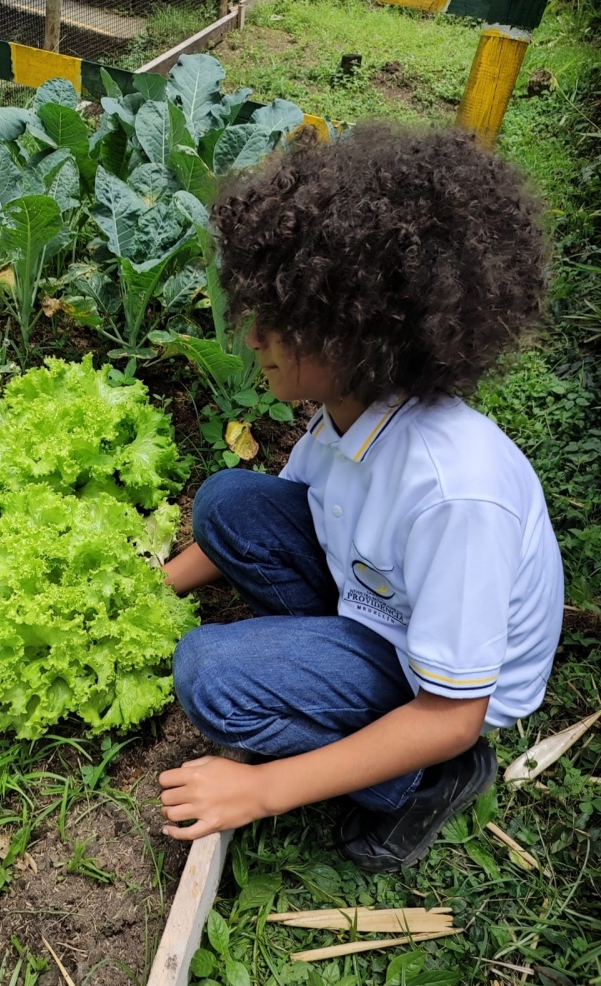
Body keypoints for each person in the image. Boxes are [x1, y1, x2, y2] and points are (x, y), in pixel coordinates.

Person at [157, 123, 564, 872]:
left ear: (357, 334)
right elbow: (276, 519)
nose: (253, 337)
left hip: (441, 701)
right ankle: (334, 672)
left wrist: (259, 788)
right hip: (385, 606)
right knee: (226, 504)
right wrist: (149, 591)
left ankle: (416, 786)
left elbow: (452, 715)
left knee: (211, 676)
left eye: (280, 321)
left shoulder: (453, 494)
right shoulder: (348, 413)